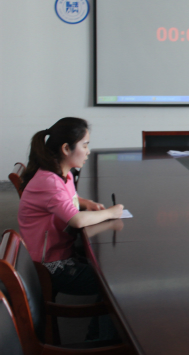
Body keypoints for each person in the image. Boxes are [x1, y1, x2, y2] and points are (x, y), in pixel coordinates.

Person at [18, 118, 123, 338]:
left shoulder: (60, 174)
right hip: (51, 266)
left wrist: (86, 202)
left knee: (110, 272)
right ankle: (103, 342)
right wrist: (112, 212)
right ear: (66, 148)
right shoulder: (49, 180)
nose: (88, 151)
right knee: (114, 283)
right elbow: (76, 220)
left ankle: (96, 335)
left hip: (56, 255)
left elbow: (66, 199)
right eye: (85, 145)